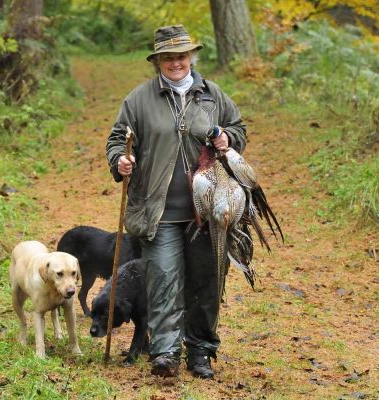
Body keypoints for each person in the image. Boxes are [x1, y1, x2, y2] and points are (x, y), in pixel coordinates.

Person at [105, 24, 246, 379]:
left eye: (181, 56)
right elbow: (117, 140)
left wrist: (228, 138)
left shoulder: (213, 96)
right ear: (158, 62)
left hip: (210, 212)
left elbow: (239, 130)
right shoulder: (138, 99)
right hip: (158, 210)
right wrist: (120, 161)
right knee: (163, 278)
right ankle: (165, 352)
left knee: (206, 282)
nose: (175, 62)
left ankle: (200, 351)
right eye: (167, 57)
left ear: (191, 58)